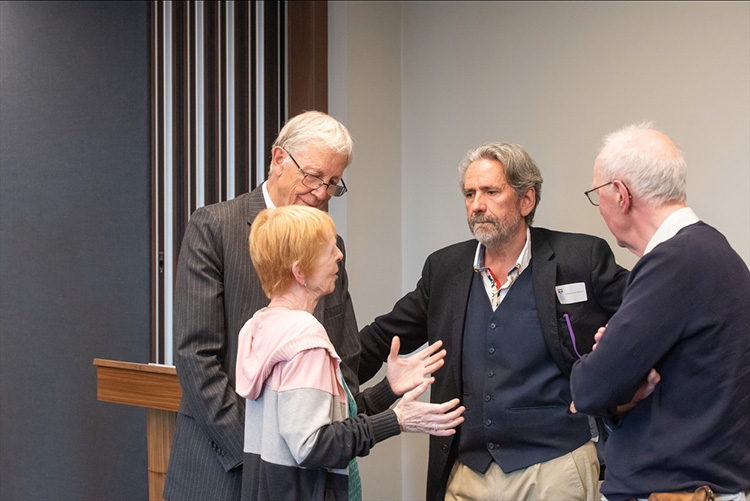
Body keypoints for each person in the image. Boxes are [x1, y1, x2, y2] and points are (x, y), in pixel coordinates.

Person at [164, 111, 446, 500]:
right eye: (313, 176)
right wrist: (258, 455)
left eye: (333, 183)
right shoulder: (215, 227)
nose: (321, 192)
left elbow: (343, 366)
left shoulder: (330, 249)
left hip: (302, 476)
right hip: (221, 466)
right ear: (279, 159)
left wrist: (382, 394)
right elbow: (196, 358)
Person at [358, 142, 630, 501]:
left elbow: (647, 315)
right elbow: (381, 336)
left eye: (490, 192)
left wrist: (626, 378)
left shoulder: (580, 258)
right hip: (468, 471)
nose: (477, 205)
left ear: (526, 200)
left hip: (555, 467)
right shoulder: (445, 269)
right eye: (469, 194)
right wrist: (327, 381)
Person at [570, 123, 750, 501]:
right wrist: (621, 378)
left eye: (596, 193)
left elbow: (588, 389)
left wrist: (607, 367)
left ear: (620, 194)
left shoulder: (675, 262)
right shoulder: (713, 253)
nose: (598, 205)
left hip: (670, 491)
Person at [236, 205, 465, 500]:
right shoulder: (305, 338)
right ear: (300, 271)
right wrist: (396, 421)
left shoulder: (260, 326)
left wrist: (388, 390)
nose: (339, 255)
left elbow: (318, 421)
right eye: (328, 250)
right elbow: (312, 445)